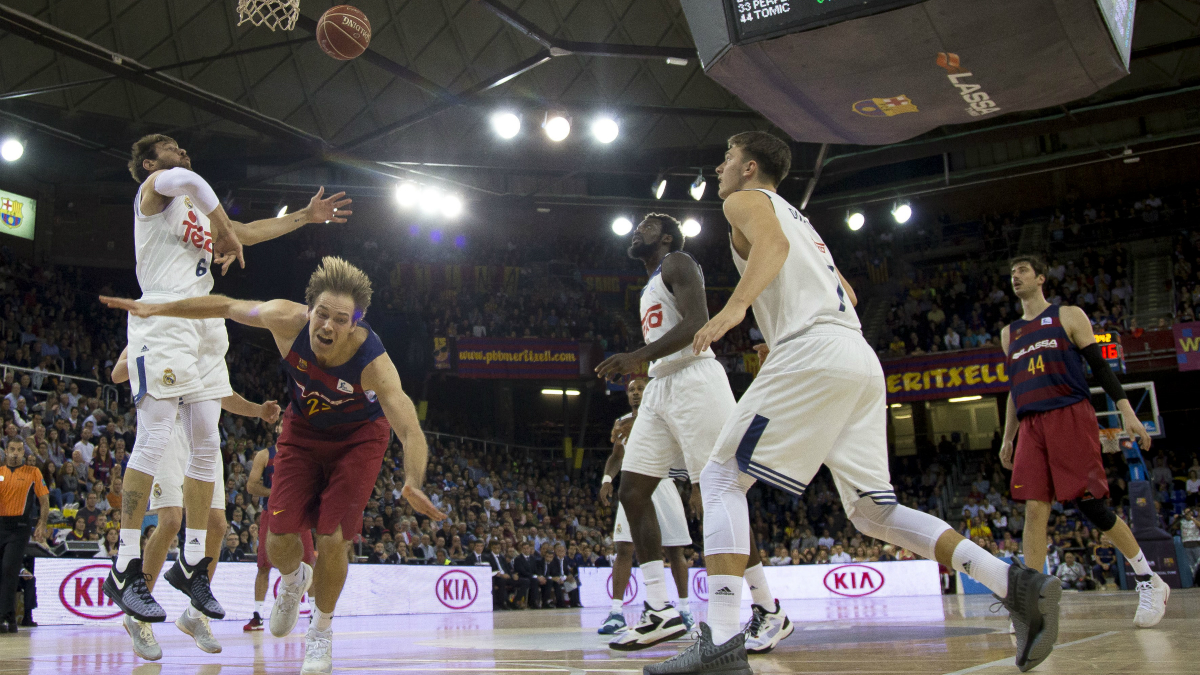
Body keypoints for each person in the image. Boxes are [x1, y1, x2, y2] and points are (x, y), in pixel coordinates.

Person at [647, 131, 1062, 675]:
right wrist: (782, 316)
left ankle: (721, 639)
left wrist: (737, 310)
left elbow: (771, 250)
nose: (720, 165)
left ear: (750, 168)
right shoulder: (803, 221)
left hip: (814, 351)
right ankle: (1014, 582)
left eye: (727, 157)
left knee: (722, 476)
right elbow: (847, 289)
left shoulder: (742, 201)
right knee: (873, 510)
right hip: (857, 354)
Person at [101, 256, 443, 675]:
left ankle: (320, 631)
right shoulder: (285, 319)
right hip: (302, 430)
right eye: (322, 314)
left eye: (341, 319)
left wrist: (412, 479)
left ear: (356, 323)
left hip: (359, 440)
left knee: (332, 538)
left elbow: (409, 428)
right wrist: (158, 308)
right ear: (308, 309)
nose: (328, 326)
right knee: (279, 538)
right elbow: (224, 304)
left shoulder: (374, 363)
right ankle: (294, 580)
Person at [103, 133, 351, 630]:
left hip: (203, 323)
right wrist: (225, 229)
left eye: (181, 146)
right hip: (164, 315)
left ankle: (194, 564)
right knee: (153, 439)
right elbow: (192, 181)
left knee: (204, 442)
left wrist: (303, 217)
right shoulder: (157, 186)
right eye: (170, 145)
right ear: (150, 160)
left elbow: (248, 230)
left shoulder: (195, 212)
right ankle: (126, 567)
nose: (183, 150)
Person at [596, 213, 787, 653]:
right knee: (632, 491)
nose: (636, 229)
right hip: (662, 386)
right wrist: (645, 362)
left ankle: (768, 609)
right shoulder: (648, 285)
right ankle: (661, 609)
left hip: (696, 380)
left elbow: (698, 320)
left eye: (647, 224)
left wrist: (635, 357)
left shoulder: (678, 262)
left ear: (664, 237)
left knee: (718, 496)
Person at [999, 255, 1169, 628]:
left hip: (1069, 414)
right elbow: (1014, 388)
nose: (1016, 276)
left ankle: (1149, 579)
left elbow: (1101, 367)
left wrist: (1126, 411)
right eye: (1012, 273)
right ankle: (1033, 601)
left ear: (1041, 278)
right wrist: (1008, 436)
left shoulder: (1068, 315)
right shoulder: (1009, 333)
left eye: (1023, 270)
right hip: (1030, 424)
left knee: (1090, 505)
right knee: (1034, 509)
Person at [111, 345, 282, 658]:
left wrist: (258, 410)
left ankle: (195, 614)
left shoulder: (207, 334)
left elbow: (223, 393)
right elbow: (118, 373)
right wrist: (150, 356)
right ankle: (137, 615)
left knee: (217, 524)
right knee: (172, 520)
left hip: (203, 438)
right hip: (166, 429)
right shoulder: (155, 326)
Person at [595, 378, 697, 637]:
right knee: (623, 548)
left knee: (676, 550)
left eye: (640, 389)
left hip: (662, 483)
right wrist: (607, 480)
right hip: (631, 486)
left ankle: (684, 609)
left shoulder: (662, 418)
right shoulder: (622, 421)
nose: (636, 393)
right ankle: (616, 612)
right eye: (631, 390)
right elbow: (616, 456)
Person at [244, 422, 317, 633]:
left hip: (298, 513)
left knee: (309, 565)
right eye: (281, 424)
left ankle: (314, 613)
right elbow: (251, 486)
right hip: (272, 512)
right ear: (276, 429)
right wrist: (276, 493)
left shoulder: (304, 455)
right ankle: (257, 615)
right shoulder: (264, 455)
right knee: (264, 565)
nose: (286, 427)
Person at [0, 439, 49, 633]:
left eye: (19, 450)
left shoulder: (32, 472)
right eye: (11, 449)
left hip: (19, 527)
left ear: (23, 452)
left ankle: (5, 616)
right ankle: (10, 618)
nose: (15, 453)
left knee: (9, 569)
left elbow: (44, 500)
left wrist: (42, 523)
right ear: (5, 451)